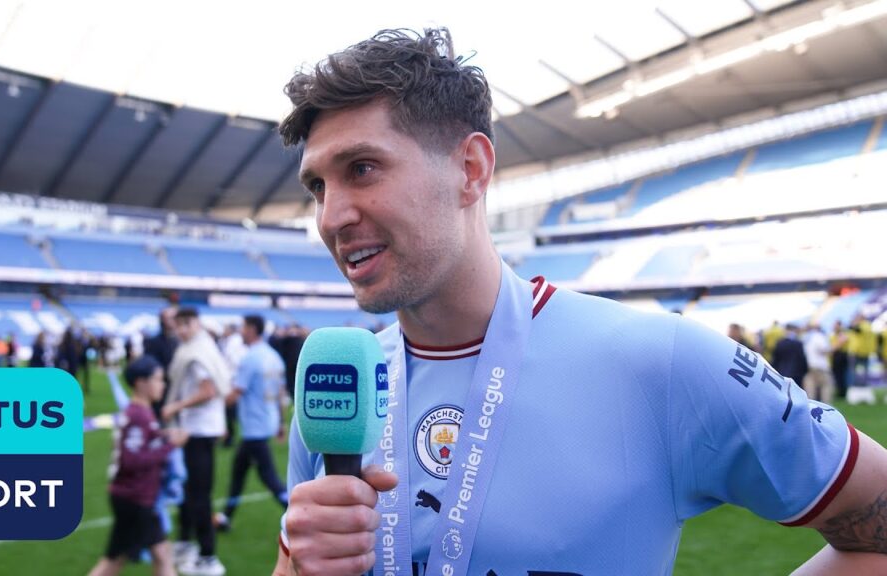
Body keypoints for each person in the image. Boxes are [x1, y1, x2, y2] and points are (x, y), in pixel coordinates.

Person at [272, 28, 887, 576]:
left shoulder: (661, 362)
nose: (332, 216)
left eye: (362, 169)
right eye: (317, 187)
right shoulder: (341, 393)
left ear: (470, 169)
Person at [87, 355, 188, 576]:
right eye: (158, 379)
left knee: (145, 557)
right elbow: (132, 460)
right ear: (141, 383)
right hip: (134, 498)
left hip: (135, 497)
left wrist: (162, 436)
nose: (162, 385)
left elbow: (142, 443)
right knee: (128, 560)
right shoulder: (138, 415)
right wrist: (170, 445)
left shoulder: (141, 413)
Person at [162, 308, 231, 576]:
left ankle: (207, 556)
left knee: (199, 495)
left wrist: (175, 406)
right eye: (178, 325)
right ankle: (185, 543)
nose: (181, 330)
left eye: (186, 324)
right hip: (196, 429)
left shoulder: (197, 352)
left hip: (199, 431)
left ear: (197, 323)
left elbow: (208, 390)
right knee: (190, 491)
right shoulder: (198, 347)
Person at [215, 315, 289, 532]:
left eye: (244, 327)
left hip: (254, 426)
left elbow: (236, 393)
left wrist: (210, 406)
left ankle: (294, 511)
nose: (241, 331)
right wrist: (281, 422)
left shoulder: (250, 358)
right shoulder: (273, 356)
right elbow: (280, 393)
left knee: (269, 477)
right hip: (264, 422)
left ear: (253, 329)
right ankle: (226, 517)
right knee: (239, 473)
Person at [803, 324, 834, 405]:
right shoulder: (819, 337)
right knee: (826, 386)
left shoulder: (807, 338)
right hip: (820, 366)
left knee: (811, 387)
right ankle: (826, 406)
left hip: (810, 365)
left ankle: (810, 406)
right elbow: (824, 350)